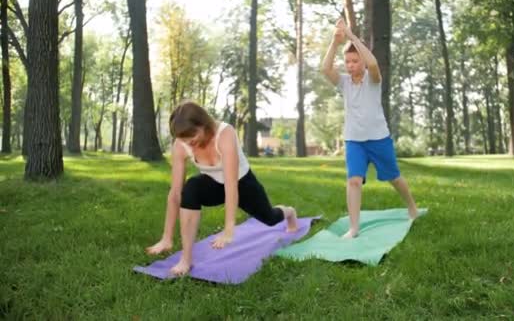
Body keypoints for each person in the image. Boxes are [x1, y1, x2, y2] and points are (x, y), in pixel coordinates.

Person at [146, 101, 298, 276]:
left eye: (192, 136)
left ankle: (289, 212)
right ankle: (186, 259)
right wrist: (167, 237)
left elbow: (232, 185)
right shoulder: (182, 144)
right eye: (184, 139)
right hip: (214, 184)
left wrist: (229, 229)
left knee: (270, 218)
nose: (189, 143)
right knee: (191, 188)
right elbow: (174, 194)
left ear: (203, 124)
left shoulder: (225, 133)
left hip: (242, 183)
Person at [321, 18, 418, 238]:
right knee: (354, 180)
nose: (351, 65)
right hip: (354, 140)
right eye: (348, 62)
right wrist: (336, 43)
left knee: (394, 177)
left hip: (378, 139)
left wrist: (351, 35)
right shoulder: (344, 82)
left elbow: (373, 63)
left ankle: (411, 206)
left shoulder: (373, 79)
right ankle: (354, 227)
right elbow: (325, 69)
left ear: (362, 62)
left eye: (355, 61)